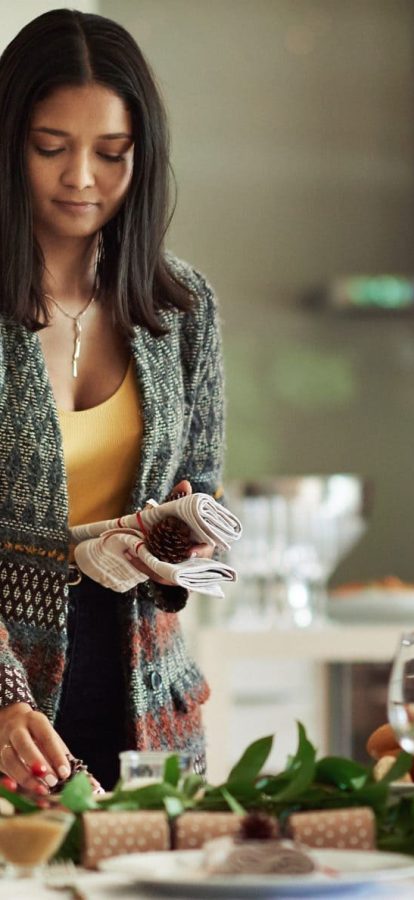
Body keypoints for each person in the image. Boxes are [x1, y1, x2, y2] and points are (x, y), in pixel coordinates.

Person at [0, 10, 224, 791]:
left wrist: (182, 547)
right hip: (12, 718)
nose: (81, 178)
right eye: (50, 148)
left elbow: (201, 485)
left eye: (113, 153)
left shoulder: (181, 305)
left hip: (148, 709)